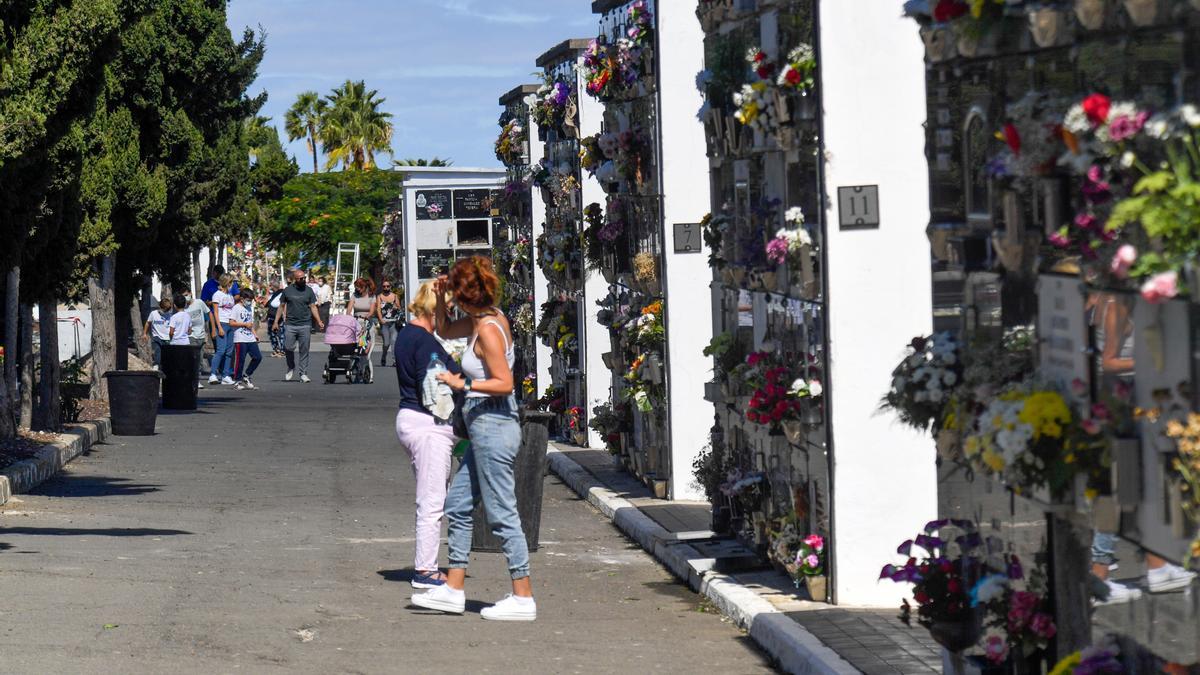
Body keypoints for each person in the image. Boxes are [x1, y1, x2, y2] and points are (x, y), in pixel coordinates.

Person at [411, 256, 534, 622]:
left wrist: (461, 383)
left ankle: (523, 595)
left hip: (495, 427)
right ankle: (454, 588)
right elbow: (445, 332)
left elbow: (504, 382)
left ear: (465, 296)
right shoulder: (481, 320)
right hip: (482, 428)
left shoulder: (491, 330)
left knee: (501, 513)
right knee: (459, 505)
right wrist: (442, 298)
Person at [393, 281, 463, 589]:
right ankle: (425, 569)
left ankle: (426, 566)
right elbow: (434, 390)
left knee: (430, 496)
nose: (450, 315)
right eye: (448, 309)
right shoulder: (425, 342)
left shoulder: (407, 335)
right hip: (428, 424)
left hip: (411, 418)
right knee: (433, 501)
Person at [273, 269, 324, 382]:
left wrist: (319, 321)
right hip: (290, 324)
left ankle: (303, 373)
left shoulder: (309, 291)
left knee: (304, 349)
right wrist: (276, 322)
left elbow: (313, 307)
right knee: (288, 348)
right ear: (295, 279)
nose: (303, 280)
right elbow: (281, 307)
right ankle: (291, 366)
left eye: (304, 278)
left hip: (305, 324)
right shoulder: (287, 291)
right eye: (301, 278)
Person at [229, 289, 263, 390]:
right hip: (240, 338)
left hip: (250, 337)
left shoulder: (249, 308)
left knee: (257, 357)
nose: (249, 302)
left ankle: (246, 375)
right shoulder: (236, 308)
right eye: (248, 300)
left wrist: (255, 334)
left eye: (251, 300)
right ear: (242, 299)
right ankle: (237, 381)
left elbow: (250, 324)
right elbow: (231, 322)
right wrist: (244, 324)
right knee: (240, 360)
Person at [208, 274, 237, 386]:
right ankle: (213, 374)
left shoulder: (230, 295)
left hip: (231, 324)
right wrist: (218, 327)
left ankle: (226, 375)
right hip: (223, 324)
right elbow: (215, 312)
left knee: (229, 351)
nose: (232, 285)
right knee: (221, 350)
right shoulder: (217, 295)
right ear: (226, 283)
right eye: (231, 283)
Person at [182, 289, 211, 389]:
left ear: (190, 293)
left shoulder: (199, 302)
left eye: (186, 295)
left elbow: (208, 313)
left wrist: (210, 330)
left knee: (199, 358)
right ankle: (192, 380)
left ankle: (196, 379)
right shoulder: (184, 308)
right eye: (183, 296)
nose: (186, 297)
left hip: (201, 335)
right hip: (191, 336)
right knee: (193, 358)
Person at [143, 298, 174, 370]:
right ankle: (156, 366)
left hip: (167, 338)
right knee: (158, 353)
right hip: (157, 337)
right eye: (164, 310)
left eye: (167, 310)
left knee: (166, 356)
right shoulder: (153, 314)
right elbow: (148, 323)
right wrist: (144, 333)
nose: (165, 312)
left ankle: (165, 369)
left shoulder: (170, 316)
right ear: (160, 307)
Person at [378, 280, 403, 367]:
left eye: (388, 286)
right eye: (384, 286)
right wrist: (381, 319)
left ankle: (394, 360)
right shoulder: (379, 297)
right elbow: (378, 309)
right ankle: (384, 356)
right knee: (386, 343)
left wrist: (397, 307)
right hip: (384, 323)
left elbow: (400, 308)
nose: (386, 288)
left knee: (394, 341)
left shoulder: (395, 296)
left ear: (390, 287)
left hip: (393, 322)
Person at [264, 281, 285, 357]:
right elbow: (265, 304)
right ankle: (279, 350)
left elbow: (265, 303)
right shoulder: (274, 295)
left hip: (276, 317)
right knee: (276, 334)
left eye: (270, 286)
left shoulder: (280, 294)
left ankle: (280, 350)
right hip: (274, 317)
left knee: (277, 334)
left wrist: (267, 292)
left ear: (272, 287)